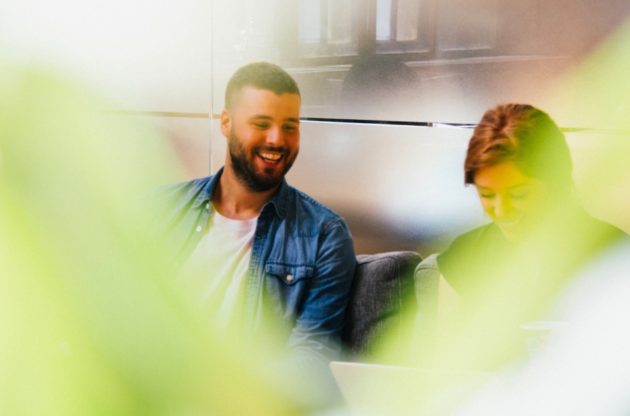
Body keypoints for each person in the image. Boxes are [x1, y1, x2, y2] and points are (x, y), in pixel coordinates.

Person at [156, 62, 357, 405]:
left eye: (290, 126)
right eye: (261, 124)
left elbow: (310, 357)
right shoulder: (161, 210)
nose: (277, 139)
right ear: (226, 123)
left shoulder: (325, 235)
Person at [413, 103, 624, 371]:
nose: (502, 211)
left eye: (519, 194)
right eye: (487, 195)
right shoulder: (465, 255)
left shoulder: (613, 255)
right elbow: (443, 369)